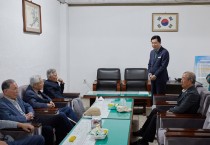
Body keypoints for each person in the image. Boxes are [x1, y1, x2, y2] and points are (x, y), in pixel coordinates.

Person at [131, 71, 201, 145]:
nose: (181, 80)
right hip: (178, 113)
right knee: (155, 110)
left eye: (183, 78)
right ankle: (142, 131)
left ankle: (144, 142)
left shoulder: (192, 94)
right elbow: (179, 104)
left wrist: (169, 110)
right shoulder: (188, 90)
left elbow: (180, 109)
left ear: (190, 81)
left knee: (156, 116)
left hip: (182, 119)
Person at [0, 79, 74, 145]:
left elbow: (28, 106)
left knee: (58, 119)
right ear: (5, 91)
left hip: (33, 118)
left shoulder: (17, 98)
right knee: (58, 118)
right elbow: (8, 118)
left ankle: (63, 141)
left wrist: (30, 113)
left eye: (17, 88)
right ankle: (75, 134)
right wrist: (25, 117)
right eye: (15, 89)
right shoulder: (2, 104)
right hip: (26, 123)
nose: (17, 91)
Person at [148, 35, 170, 101]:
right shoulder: (152, 52)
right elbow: (149, 64)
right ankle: (154, 110)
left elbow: (163, 66)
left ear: (160, 42)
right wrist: (149, 73)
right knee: (153, 96)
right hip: (152, 78)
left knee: (160, 97)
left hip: (160, 78)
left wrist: (155, 75)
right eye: (152, 43)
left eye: (155, 43)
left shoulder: (165, 52)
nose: (153, 44)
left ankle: (160, 111)